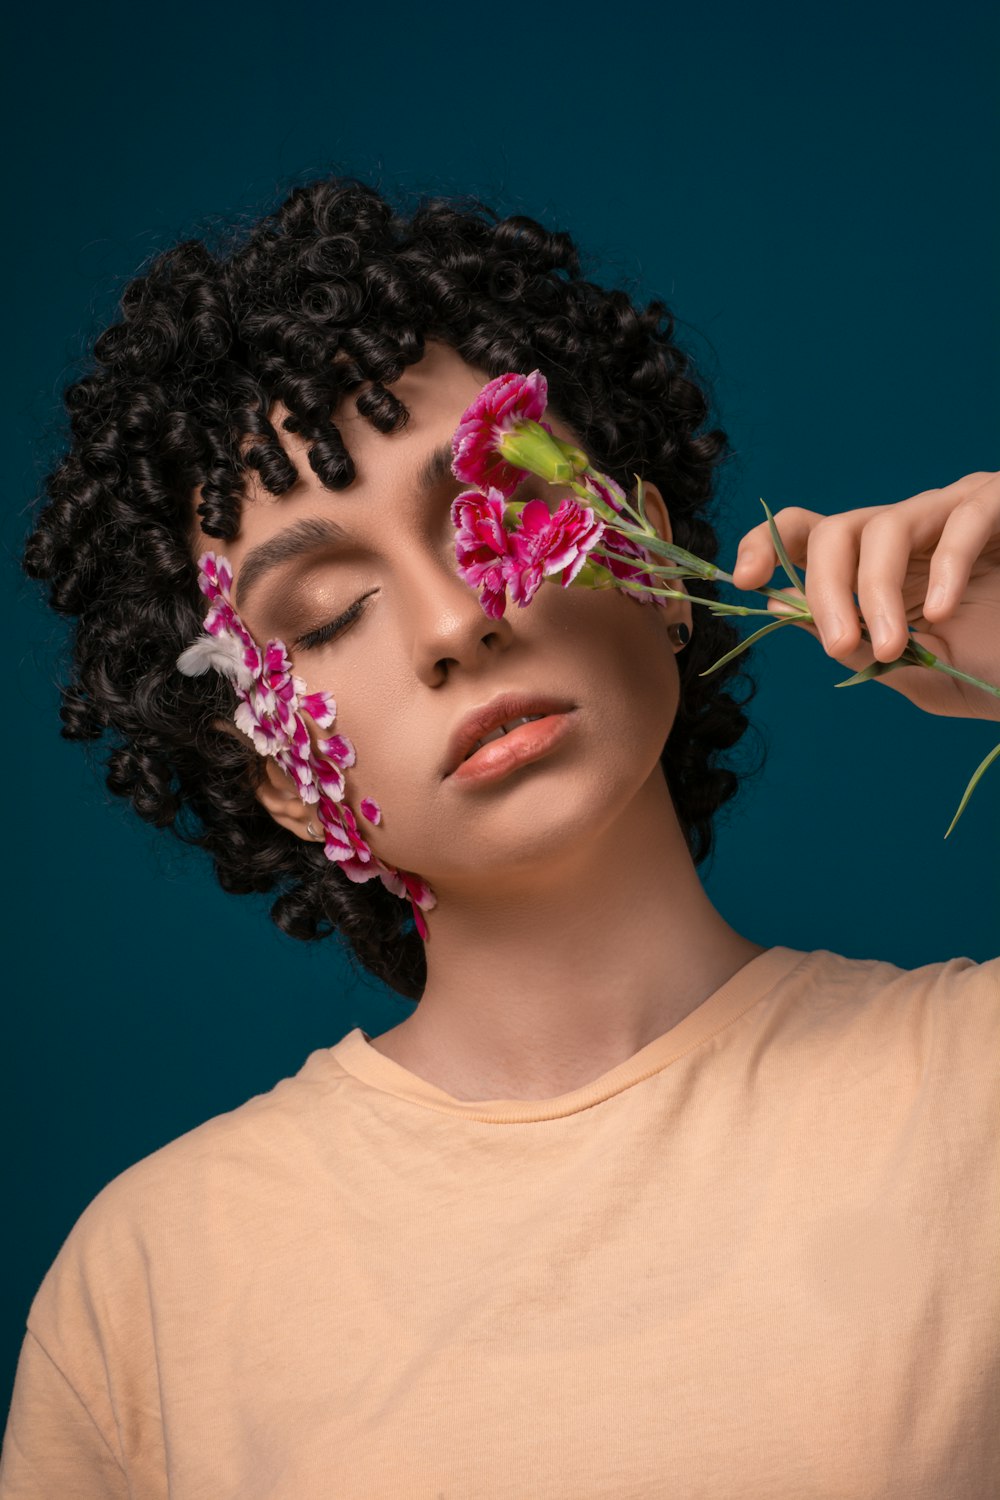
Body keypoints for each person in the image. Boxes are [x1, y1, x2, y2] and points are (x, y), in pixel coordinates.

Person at [1, 176, 997, 1498]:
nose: (451, 623)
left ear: (650, 552)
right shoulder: (152, 1285)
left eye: (494, 507)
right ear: (275, 775)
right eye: (319, 615)